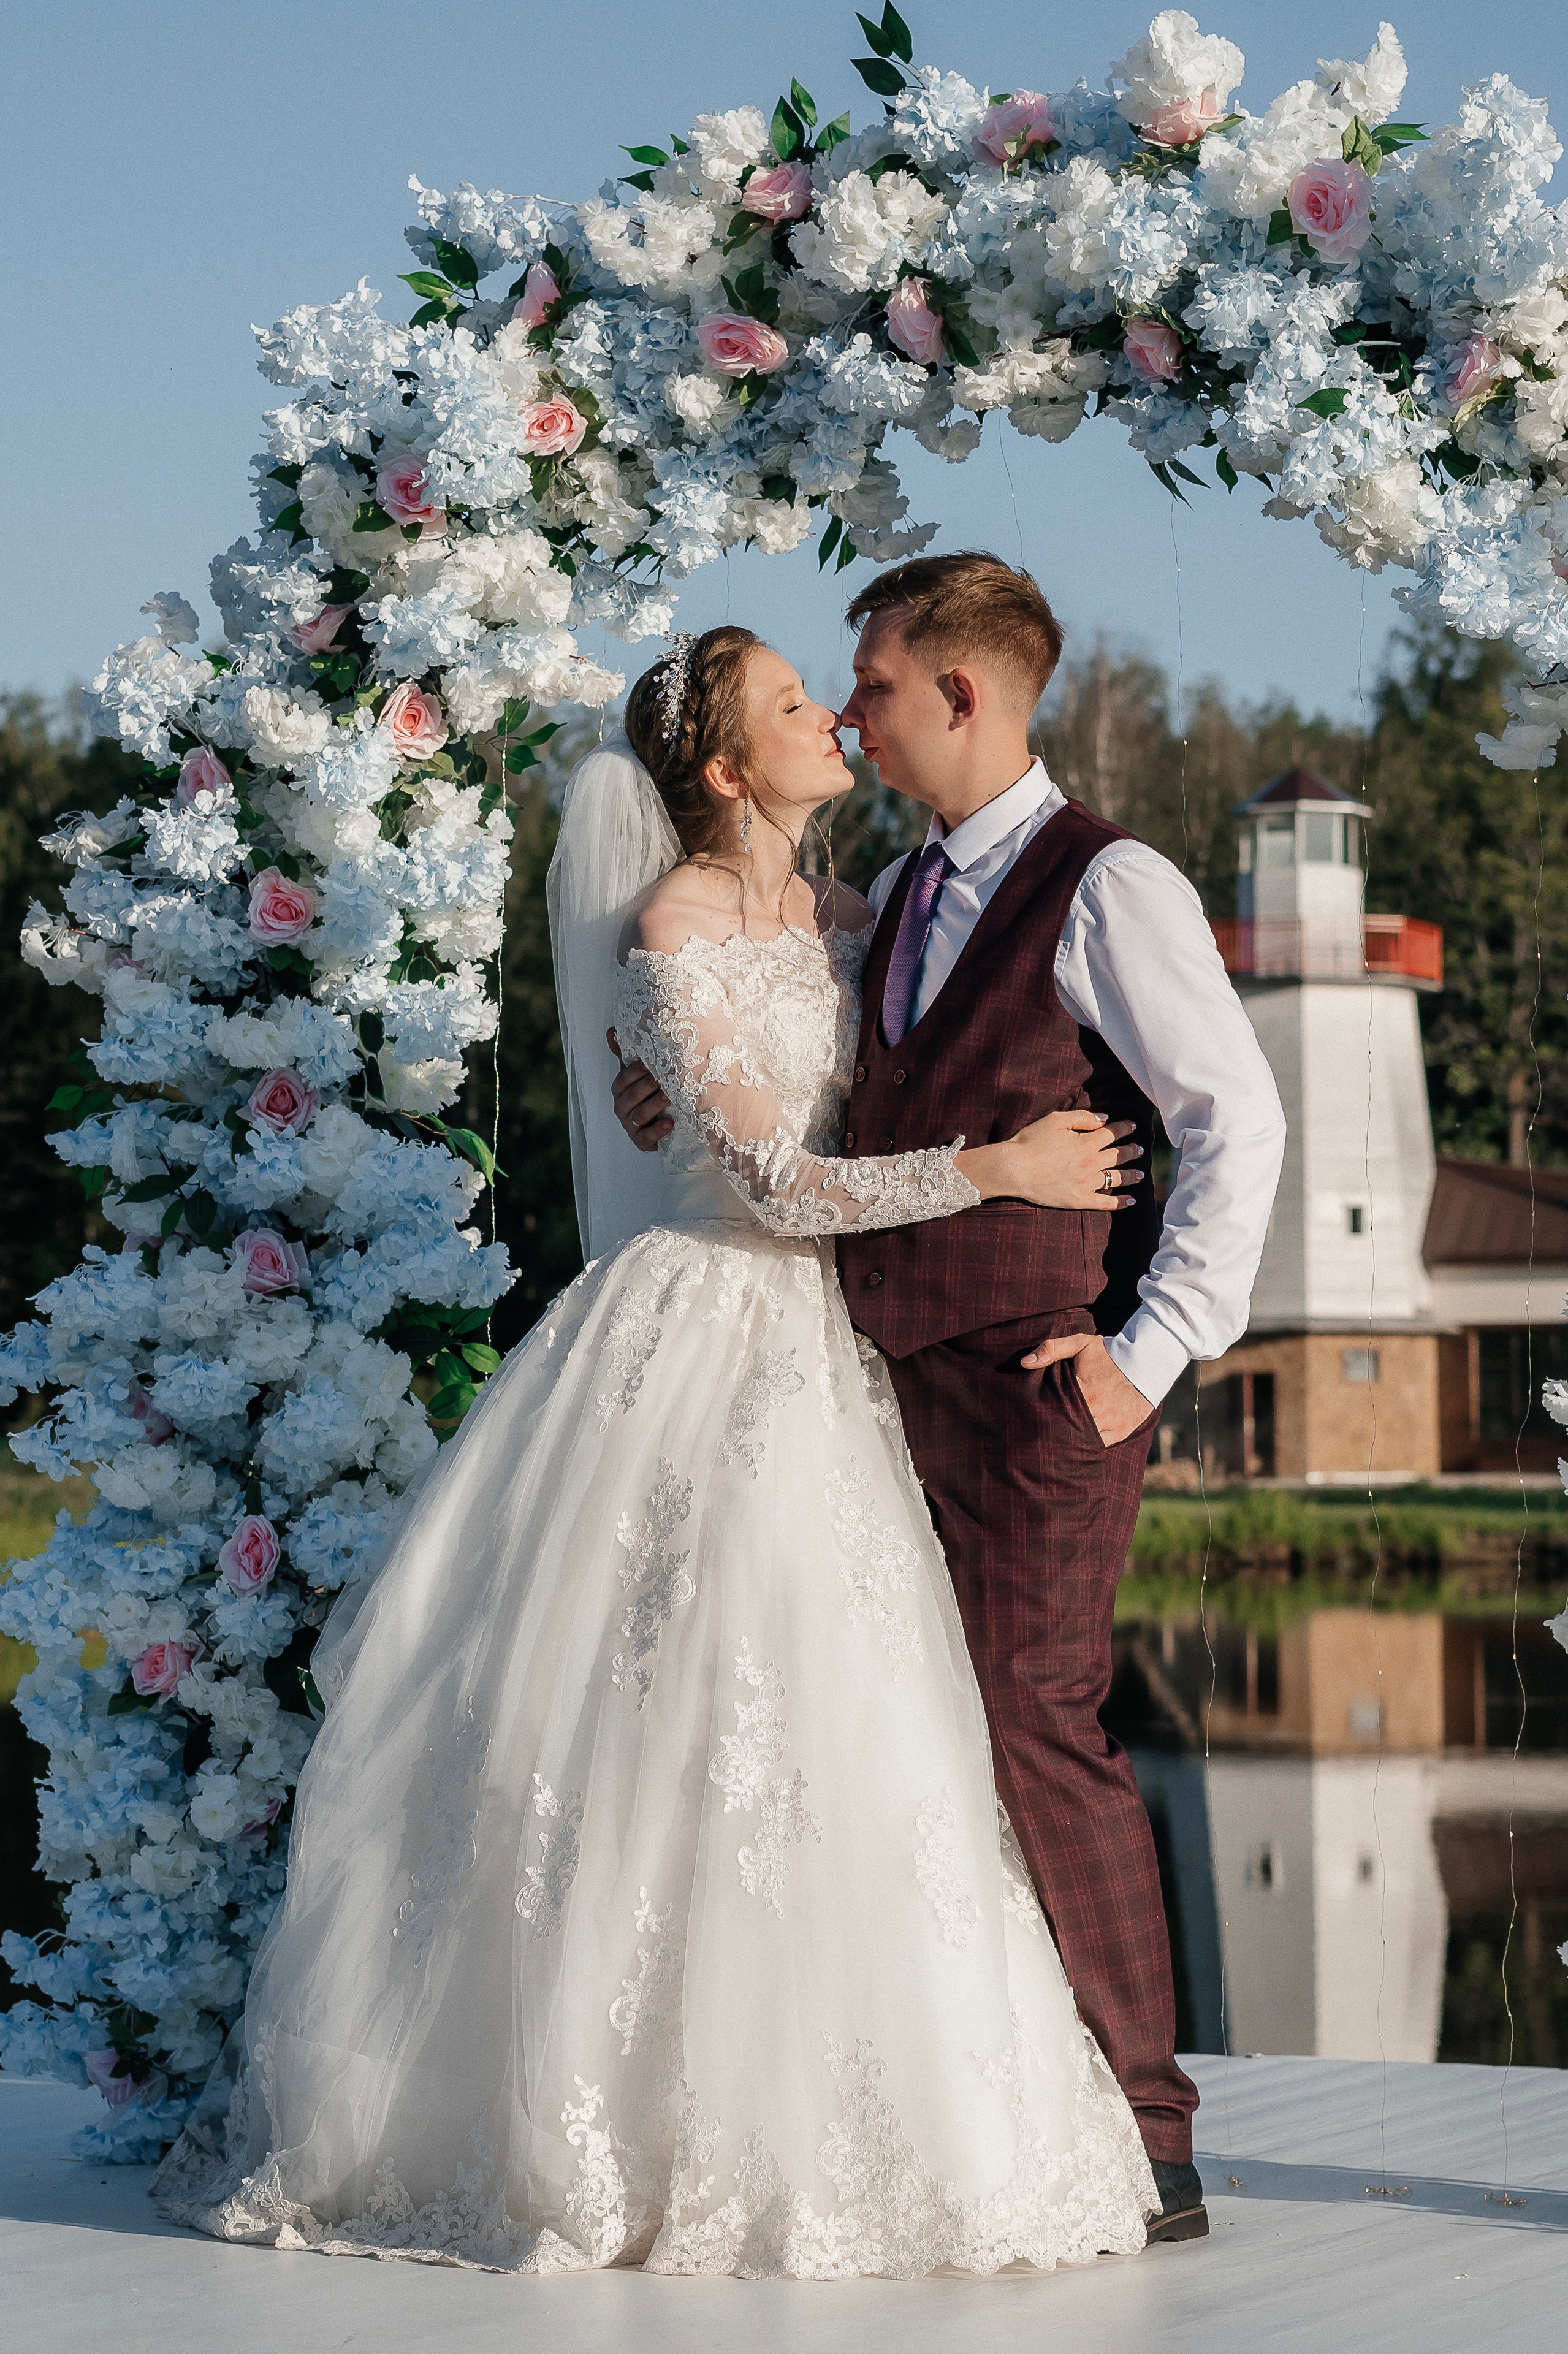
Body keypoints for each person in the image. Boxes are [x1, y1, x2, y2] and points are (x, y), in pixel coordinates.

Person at [150, 622, 1163, 2279]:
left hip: (839, 1353)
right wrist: (1003, 1171)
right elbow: (769, 1186)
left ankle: (844, 2107)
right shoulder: (671, 924)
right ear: (723, 766)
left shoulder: (861, 919)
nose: (834, 720)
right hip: (707, 1329)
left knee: (845, 1722)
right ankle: (613, 2118)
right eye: (795, 706)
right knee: (664, 1709)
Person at [613, 557, 1288, 2239]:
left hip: (1039, 1384)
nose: (853, 716)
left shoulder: (1108, 884)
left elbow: (1238, 1124)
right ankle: (972, 2113)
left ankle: (1150, 2139)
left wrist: (1148, 1354)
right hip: (858, 1391)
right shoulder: (892, 898)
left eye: (875, 685)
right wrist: (659, 1075)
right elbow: (792, 1090)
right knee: (900, 1741)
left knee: (1039, 1727)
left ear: (962, 694)